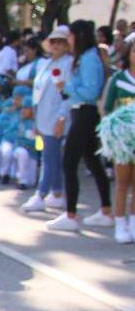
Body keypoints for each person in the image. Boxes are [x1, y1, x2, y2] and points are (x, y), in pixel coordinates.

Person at [46, 19, 112, 233]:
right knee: (92, 161)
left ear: (79, 36)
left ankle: (71, 214)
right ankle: (105, 210)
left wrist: (68, 87)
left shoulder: (89, 59)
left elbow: (91, 92)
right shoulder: (85, 57)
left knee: (69, 161)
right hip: (80, 111)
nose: (69, 40)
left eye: (71, 36)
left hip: (85, 111)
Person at [24, 26, 73, 213]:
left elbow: (67, 95)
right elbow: (38, 93)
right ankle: (57, 193)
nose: (56, 45)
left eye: (61, 42)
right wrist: (36, 118)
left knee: (48, 157)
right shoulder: (45, 64)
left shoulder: (69, 64)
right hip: (42, 117)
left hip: (57, 117)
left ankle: (41, 194)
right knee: (52, 157)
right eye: (53, 41)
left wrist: (62, 117)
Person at [101, 43, 135, 243]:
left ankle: (133, 223)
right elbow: (106, 108)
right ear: (128, 53)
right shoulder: (119, 79)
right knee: (122, 183)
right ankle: (120, 225)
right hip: (123, 141)